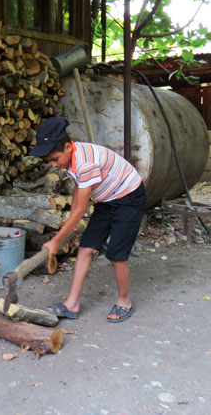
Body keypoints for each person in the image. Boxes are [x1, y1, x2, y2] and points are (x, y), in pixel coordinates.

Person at [29, 117, 146, 323]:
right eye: (50, 162)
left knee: (117, 254)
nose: (55, 165)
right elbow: (78, 194)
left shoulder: (85, 163)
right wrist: (70, 225)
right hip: (108, 199)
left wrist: (56, 240)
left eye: (55, 159)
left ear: (67, 146)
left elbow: (81, 208)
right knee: (86, 247)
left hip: (129, 197)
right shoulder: (72, 157)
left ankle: (124, 300)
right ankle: (71, 304)